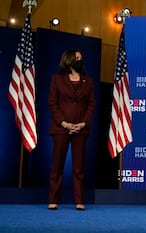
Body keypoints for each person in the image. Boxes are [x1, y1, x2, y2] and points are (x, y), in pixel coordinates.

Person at [47, 49, 95, 211]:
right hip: (61, 129)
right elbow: (52, 103)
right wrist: (64, 123)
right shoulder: (57, 79)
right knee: (57, 166)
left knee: (79, 167)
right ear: (68, 60)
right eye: (77, 58)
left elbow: (91, 105)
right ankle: (53, 200)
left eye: (81, 58)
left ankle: (79, 201)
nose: (80, 60)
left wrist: (83, 123)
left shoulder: (88, 81)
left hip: (81, 129)